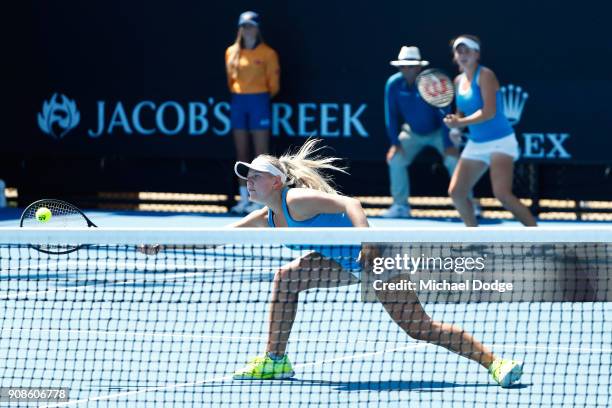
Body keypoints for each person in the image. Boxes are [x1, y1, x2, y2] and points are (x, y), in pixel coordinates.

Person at [143, 139, 523, 387]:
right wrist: (164, 243)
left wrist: (368, 242)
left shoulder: (295, 201)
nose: (249, 183)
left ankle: (495, 363)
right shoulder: (270, 216)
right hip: (343, 262)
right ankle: (275, 359)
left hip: (379, 259)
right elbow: (220, 235)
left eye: (256, 177)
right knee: (287, 278)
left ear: (276, 183)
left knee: (420, 329)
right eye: (247, 179)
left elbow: (350, 203)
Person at [444, 35, 537, 227]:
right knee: (457, 192)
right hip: (476, 144)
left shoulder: (486, 75)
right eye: (458, 51)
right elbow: (461, 111)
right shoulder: (457, 81)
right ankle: (474, 239)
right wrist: (456, 126)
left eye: (467, 50)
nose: (462, 55)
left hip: (500, 142)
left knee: (502, 195)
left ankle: (541, 239)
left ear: (477, 54)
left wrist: (460, 123)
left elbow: (489, 112)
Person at [382, 46, 479, 218]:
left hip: (439, 132)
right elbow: (391, 115)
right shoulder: (393, 84)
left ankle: (468, 204)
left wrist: (448, 144)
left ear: (419, 67)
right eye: (403, 66)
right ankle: (400, 206)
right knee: (395, 159)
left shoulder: (433, 84)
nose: (407, 70)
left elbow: (444, 114)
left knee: (453, 160)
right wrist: (395, 144)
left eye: (411, 66)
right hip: (411, 132)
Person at [225, 11, 280, 214]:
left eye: (251, 25)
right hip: (239, 102)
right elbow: (231, 81)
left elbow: (274, 85)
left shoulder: (268, 53)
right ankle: (243, 199)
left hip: (259, 101)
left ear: (257, 28)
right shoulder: (231, 52)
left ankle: (260, 200)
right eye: (244, 26)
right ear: (240, 28)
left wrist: (258, 95)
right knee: (242, 154)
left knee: (260, 156)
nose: (248, 29)